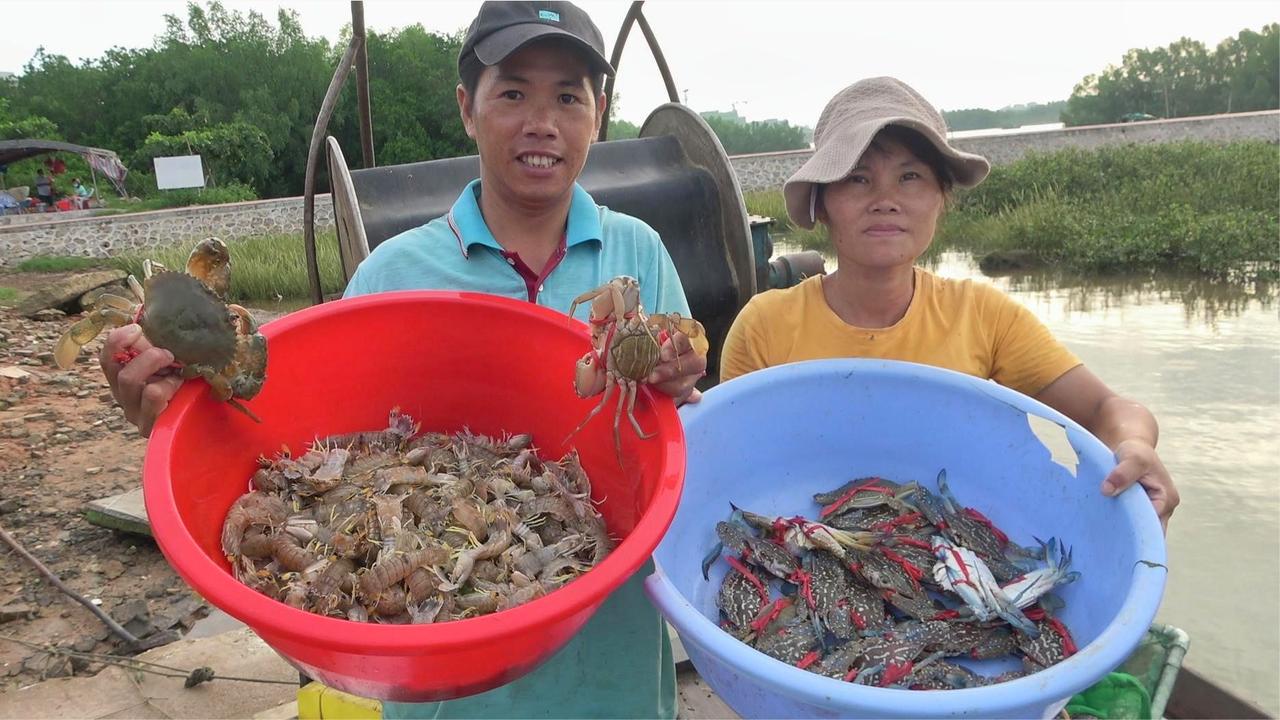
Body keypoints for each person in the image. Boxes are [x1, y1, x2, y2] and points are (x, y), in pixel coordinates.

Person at [99, 2, 702, 718]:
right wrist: (184, 412)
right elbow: (291, 434)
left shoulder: (639, 255)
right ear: (467, 109)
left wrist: (682, 379)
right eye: (512, 92)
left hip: (611, 679)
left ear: (597, 114)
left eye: (568, 96)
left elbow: (671, 434)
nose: (542, 120)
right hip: (439, 691)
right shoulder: (392, 275)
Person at [719, 77, 1178, 529]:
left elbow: (1109, 410)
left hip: (953, 542)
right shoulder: (765, 326)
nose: (885, 200)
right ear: (821, 203)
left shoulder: (984, 317)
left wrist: (1134, 445)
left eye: (910, 177)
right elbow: (733, 473)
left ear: (942, 198)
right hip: (809, 540)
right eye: (857, 178)